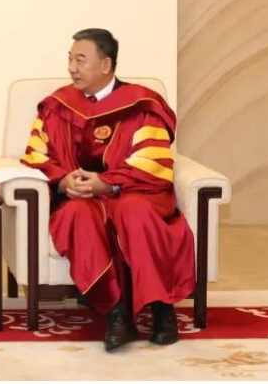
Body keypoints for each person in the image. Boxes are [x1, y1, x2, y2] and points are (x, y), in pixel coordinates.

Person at [20, 28, 194, 351]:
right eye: (70, 60)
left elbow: (152, 161)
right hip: (81, 198)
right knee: (76, 214)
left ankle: (162, 310)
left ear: (105, 65)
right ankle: (116, 313)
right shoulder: (58, 106)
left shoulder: (142, 105)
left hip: (132, 192)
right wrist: (63, 180)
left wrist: (109, 182)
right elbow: (37, 156)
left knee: (134, 211)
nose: (71, 68)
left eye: (80, 60)